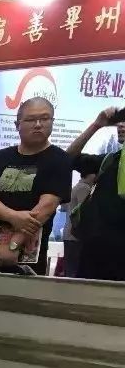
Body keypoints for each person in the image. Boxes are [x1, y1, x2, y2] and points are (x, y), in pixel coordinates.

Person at [0, 97, 71, 276]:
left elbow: (46, 208)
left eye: (44, 118)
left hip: (28, 254)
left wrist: (14, 244)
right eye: (30, 119)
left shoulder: (60, 159)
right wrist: (13, 216)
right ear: (17, 124)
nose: (38, 124)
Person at [65, 106, 125, 281]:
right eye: (119, 122)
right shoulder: (108, 160)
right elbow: (69, 158)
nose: (121, 126)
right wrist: (96, 125)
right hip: (96, 250)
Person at [59, 159, 98, 278]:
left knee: (70, 268)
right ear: (92, 174)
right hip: (75, 235)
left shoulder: (77, 187)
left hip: (69, 234)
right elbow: (85, 211)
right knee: (74, 271)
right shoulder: (84, 189)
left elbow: (64, 207)